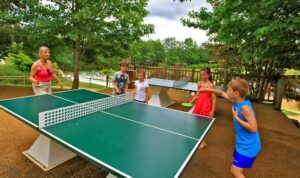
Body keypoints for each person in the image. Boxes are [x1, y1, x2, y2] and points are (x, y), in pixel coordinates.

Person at [199, 79, 261, 178]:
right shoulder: (236, 100)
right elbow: (221, 93)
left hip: (248, 145)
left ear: (236, 93)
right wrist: (206, 89)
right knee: (234, 164)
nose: (227, 91)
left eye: (229, 90)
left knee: (235, 171)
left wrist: (237, 118)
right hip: (241, 143)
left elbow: (254, 128)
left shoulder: (245, 108)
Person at [189, 67, 216, 150]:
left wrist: (213, 110)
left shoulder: (211, 85)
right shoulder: (199, 83)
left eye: (204, 75)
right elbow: (198, 94)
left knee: (204, 124)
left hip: (206, 106)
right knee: (197, 123)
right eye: (201, 75)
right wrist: (194, 99)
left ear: (208, 75)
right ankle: (199, 139)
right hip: (198, 105)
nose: (202, 76)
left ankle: (204, 142)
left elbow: (214, 98)